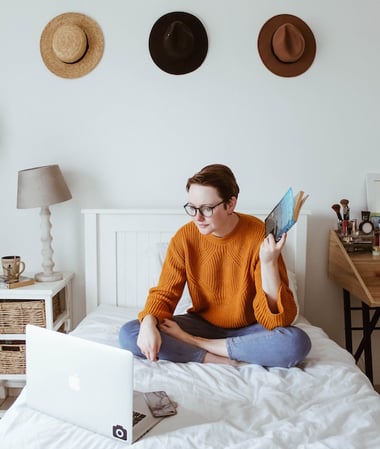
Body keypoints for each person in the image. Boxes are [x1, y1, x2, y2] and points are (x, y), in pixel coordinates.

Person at [119, 164, 311, 367]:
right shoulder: (185, 238)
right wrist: (149, 321)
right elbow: (164, 294)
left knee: (295, 342)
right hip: (203, 323)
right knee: (130, 332)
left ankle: (199, 345)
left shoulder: (258, 235)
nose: (197, 217)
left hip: (251, 328)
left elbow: (277, 321)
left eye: (207, 209)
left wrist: (269, 262)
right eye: (192, 208)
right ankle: (214, 357)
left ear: (230, 204)